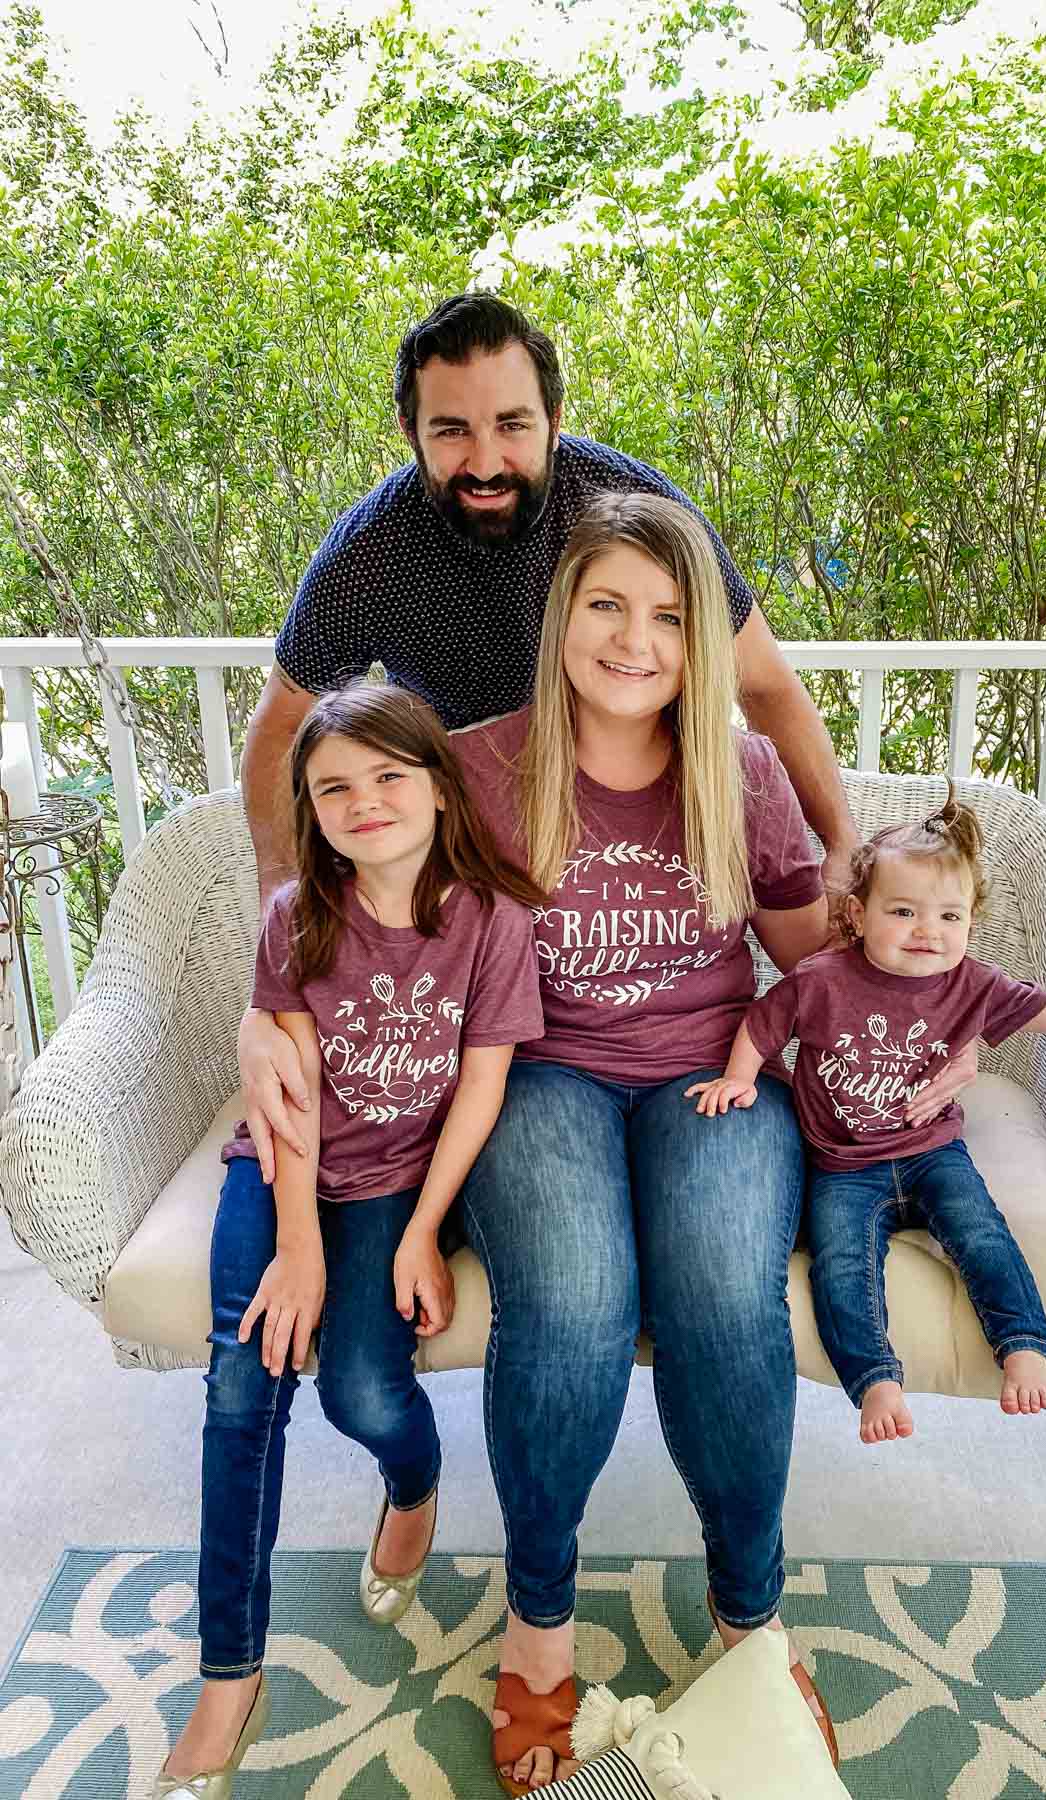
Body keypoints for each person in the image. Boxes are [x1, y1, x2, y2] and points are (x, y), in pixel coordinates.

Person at [239, 289, 977, 1169]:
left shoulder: (629, 504)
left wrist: (845, 848)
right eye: (451, 432)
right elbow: (282, 733)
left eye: (512, 424)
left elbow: (769, 691)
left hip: (647, 859)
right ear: (410, 431)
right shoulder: (371, 552)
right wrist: (280, 952)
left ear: (555, 417)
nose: (485, 459)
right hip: (494, 830)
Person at [445, 491, 835, 1793]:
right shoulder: (483, 769)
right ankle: (540, 1630)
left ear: (700, 646)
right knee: (569, 1302)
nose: (634, 638)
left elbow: (804, 958)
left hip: (709, 1074)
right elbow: (396, 944)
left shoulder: (744, 772)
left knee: (725, 1294)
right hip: (538, 1068)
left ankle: (750, 1628)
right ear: (562, 614)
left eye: (670, 617)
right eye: (607, 602)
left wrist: (931, 997)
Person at [155, 686, 544, 1798]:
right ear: (311, 809)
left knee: (365, 1398)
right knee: (244, 1391)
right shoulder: (298, 916)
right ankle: (229, 1675)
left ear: (437, 785)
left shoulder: (491, 921)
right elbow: (292, 1087)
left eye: (388, 777)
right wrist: (297, 1243)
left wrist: (423, 1229)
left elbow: (482, 1087)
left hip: (397, 1187)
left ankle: (413, 1488)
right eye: (334, 788)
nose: (363, 802)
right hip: (281, 1168)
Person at [687, 786, 1046, 1447]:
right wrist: (738, 1077)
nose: (928, 931)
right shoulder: (822, 980)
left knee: (982, 1235)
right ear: (857, 915)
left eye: (950, 917)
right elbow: (763, 1022)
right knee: (841, 1263)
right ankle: (874, 1379)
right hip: (843, 1167)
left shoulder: (972, 986)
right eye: (903, 911)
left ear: (969, 925)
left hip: (934, 1154)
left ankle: (1020, 1344)